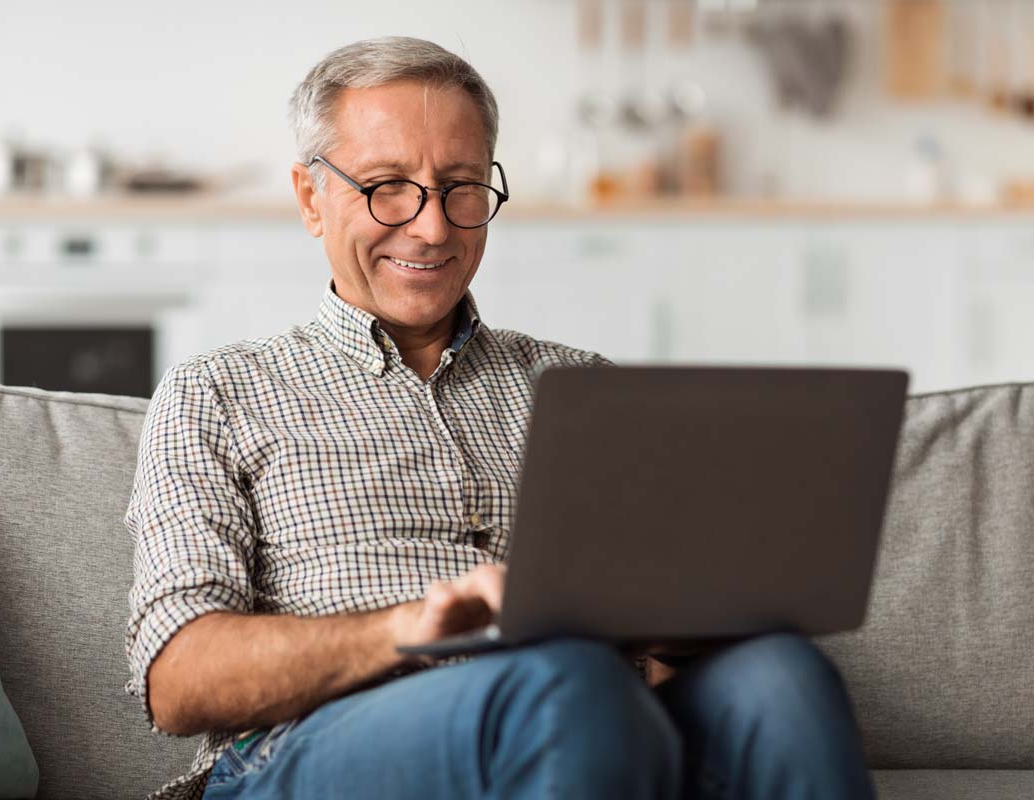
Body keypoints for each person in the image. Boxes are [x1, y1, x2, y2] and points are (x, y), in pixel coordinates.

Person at [125, 36, 876, 800]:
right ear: (312, 196)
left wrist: (691, 621)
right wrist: (404, 630)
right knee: (563, 684)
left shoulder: (582, 387)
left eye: (461, 187)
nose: (432, 228)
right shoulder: (217, 390)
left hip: (592, 714)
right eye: (388, 187)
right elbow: (179, 681)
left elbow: (658, 640)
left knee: (781, 675)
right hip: (316, 748)